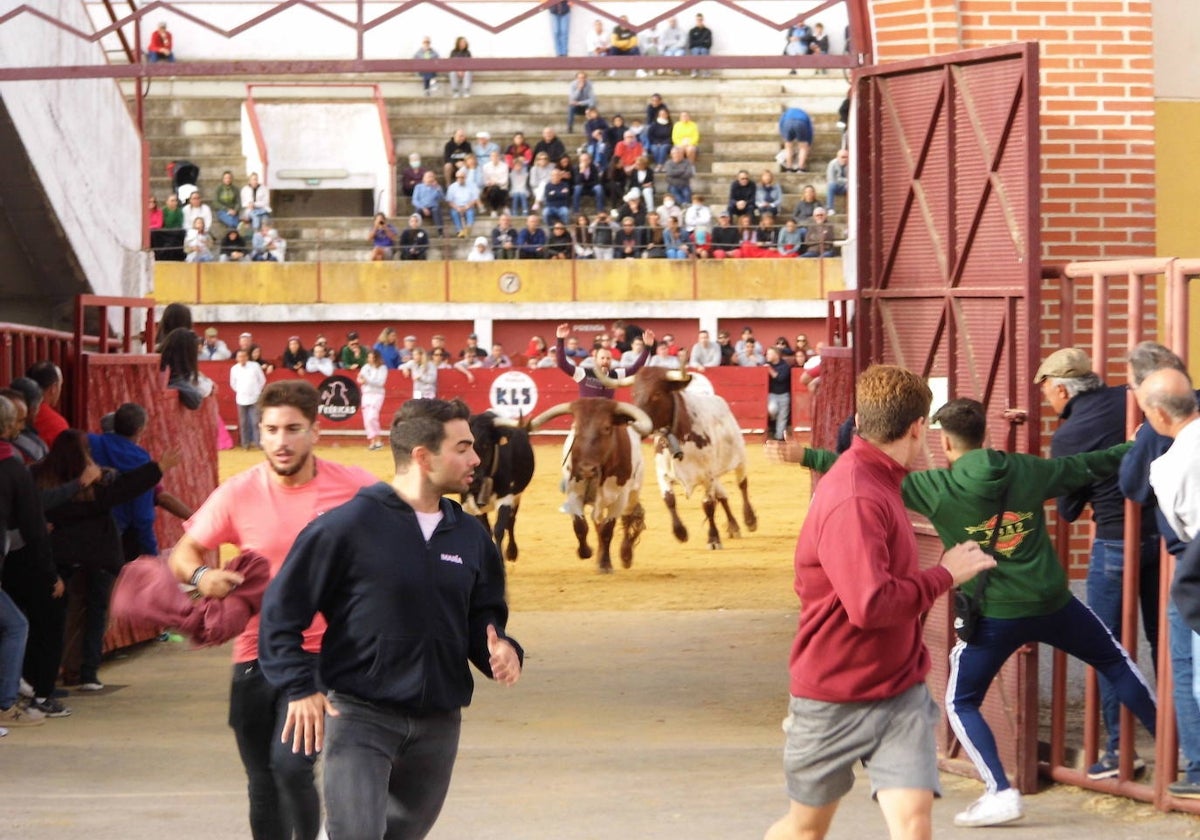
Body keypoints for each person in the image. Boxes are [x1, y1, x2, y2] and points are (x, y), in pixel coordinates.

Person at [779, 397, 1158, 827]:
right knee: (1116, 662)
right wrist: (1137, 443)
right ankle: (1175, 756)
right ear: (985, 435)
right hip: (1054, 602)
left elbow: (866, 476)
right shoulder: (1028, 470)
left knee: (961, 702)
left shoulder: (935, 488)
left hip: (993, 615)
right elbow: (1091, 465)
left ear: (946, 444)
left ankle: (1000, 790)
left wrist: (806, 455)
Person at [258, 397, 522, 839]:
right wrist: (299, 686)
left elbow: (484, 615)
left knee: (401, 834)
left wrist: (501, 648)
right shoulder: (344, 528)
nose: (476, 458)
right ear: (423, 456)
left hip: (440, 720)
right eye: (462, 447)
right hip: (360, 716)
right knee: (357, 834)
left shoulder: (473, 536)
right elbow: (281, 614)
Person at [764, 367, 994, 840]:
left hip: (899, 691)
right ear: (915, 427)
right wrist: (945, 574)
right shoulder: (856, 494)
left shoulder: (879, 477)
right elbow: (870, 606)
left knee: (914, 826)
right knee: (805, 830)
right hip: (832, 697)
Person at [166, 380, 378, 840]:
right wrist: (204, 578)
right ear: (259, 433)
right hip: (253, 654)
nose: (282, 441)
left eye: (293, 429)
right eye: (272, 430)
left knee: (290, 766)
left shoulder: (356, 487)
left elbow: (407, 528)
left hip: (323, 653)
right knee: (261, 780)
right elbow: (183, 554)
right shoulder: (238, 492)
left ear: (315, 432)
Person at [1038, 347, 1160, 778]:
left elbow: (1069, 511)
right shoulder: (1132, 398)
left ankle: (1118, 752)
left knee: (1109, 649)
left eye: (1047, 393)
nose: (1048, 402)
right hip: (1162, 539)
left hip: (1113, 544)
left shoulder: (1069, 435)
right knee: (1167, 645)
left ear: (1060, 388)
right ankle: (1188, 748)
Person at [1119, 343, 1200, 798]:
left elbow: (1132, 486)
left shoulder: (1164, 453)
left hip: (1189, 567)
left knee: (1188, 669)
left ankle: (1198, 767)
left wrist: (1136, 445)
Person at [0, 394, 54, 729]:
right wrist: (50, 572)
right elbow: (34, 527)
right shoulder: (11, 466)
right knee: (16, 625)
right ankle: (6, 704)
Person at [555, 322, 652, 398]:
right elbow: (562, 363)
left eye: (608, 358)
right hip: (587, 415)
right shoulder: (584, 373)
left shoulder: (615, 374)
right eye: (602, 358)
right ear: (595, 360)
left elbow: (635, 369)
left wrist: (647, 347)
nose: (605, 361)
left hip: (606, 417)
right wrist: (560, 339)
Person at [230, 348, 267, 450]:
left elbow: (262, 380)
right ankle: (245, 444)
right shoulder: (234, 369)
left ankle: (258, 443)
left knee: (256, 421)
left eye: (243, 356)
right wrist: (241, 391)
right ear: (237, 358)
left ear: (247, 357)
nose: (242, 358)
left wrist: (256, 391)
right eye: (239, 357)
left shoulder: (255, 366)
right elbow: (233, 384)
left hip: (255, 397)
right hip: (241, 398)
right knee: (243, 422)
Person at [357, 349, 389, 451]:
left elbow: (380, 383)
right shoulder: (365, 367)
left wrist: (367, 380)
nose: (370, 359)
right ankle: (373, 441)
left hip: (377, 394)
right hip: (366, 394)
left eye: (372, 357)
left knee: (372, 417)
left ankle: (378, 439)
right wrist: (361, 381)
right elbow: (359, 379)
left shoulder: (383, 368)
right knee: (367, 418)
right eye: (369, 357)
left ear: (377, 358)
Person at [765, 346, 792, 440]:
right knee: (772, 410)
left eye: (769, 353)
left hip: (784, 395)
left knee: (782, 418)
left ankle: (778, 438)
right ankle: (772, 422)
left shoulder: (785, 366)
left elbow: (780, 378)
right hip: (772, 394)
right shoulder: (766, 364)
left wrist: (769, 369)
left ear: (776, 355)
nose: (767, 355)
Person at [778, 105, 813, 173]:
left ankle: (789, 168)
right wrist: (809, 143)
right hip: (801, 122)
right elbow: (810, 130)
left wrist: (784, 136)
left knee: (788, 147)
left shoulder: (786, 113)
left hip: (787, 123)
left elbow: (781, 124)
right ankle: (801, 168)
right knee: (803, 147)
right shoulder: (804, 114)